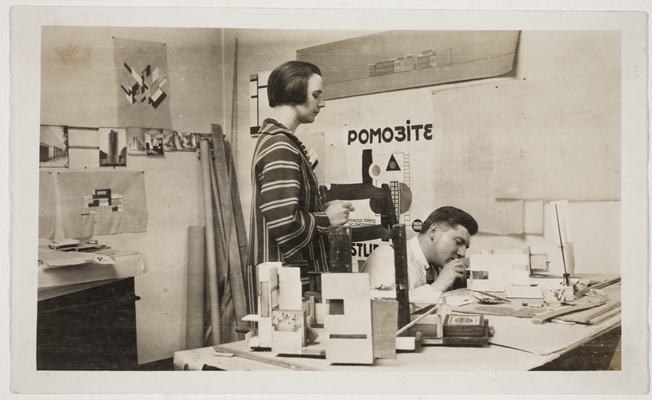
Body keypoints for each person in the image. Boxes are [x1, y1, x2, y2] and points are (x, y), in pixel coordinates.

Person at [246, 60, 354, 314]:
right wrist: (326, 219)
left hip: (284, 282)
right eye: (316, 95)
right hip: (285, 287)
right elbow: (284, 223)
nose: (322, 103)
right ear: (293, 92)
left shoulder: (278, 140)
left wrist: (320, 208)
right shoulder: (280, 146)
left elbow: (283, 209)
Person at [360, 206, 478, 295]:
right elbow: (379, 309)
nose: (462, 253)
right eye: (458, 242)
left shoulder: (437, 265)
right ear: (433, 231)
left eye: (466, 247)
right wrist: (436, 287)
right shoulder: (386, 256)